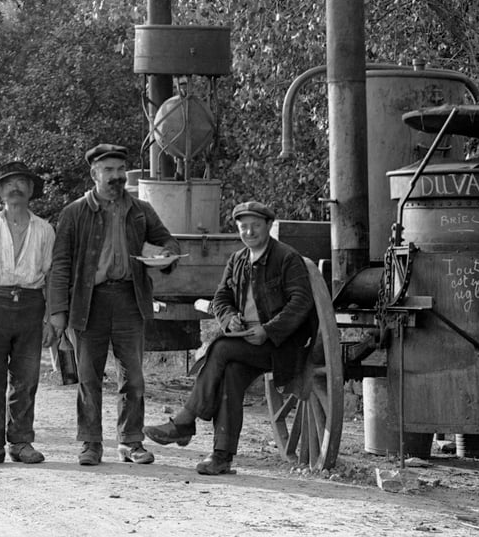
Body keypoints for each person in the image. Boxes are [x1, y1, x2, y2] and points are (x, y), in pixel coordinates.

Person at [143, 201, 313, 475]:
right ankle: (221, 456)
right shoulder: (238, 260)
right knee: (231, 374)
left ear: (268, 226)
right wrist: (228, 317)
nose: (249, 232)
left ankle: (186, 420)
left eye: (255, 226)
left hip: (282, 345)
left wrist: (268, 330)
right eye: (243, 227)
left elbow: (301, 302)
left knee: (221, 347)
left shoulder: (286, 258)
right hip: (246, 344)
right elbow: (221, 298)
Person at [48, 143, 181, 466]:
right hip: (87, 303)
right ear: (94, 174)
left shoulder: (140, 210)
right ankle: (91, 443)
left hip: (129, 300)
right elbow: (60, 265)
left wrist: (164, 256)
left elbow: (168, 242)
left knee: (133, 376)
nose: (117, 176)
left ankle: (131, 442)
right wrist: (58, 313)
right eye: (108, 170)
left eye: (121, 170)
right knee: (89, 378)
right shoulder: (74, 213)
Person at [0, 161, 58, 469]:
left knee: (26, 377)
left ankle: (20, 442)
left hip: (31, 305)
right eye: (8, 184)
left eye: (21, 183)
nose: (15, 188)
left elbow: (51, 275)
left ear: (31, 190)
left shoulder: (44, 229)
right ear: (0, 191)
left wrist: (50, 319)